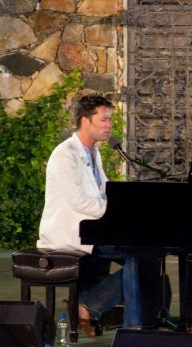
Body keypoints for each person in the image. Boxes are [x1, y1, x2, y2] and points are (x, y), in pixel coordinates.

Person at [37, 93, 164, 334]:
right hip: (70, 231)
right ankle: (132, 327)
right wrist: (113, 213)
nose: (109, 125)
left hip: (93, 228)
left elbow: (104, 193)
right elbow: (78, 202)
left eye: (109, 120)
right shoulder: (65, 155)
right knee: (135, 256)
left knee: (148, 252)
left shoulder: (94, 153)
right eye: (104, 120)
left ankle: (106, 307)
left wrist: (126, 209)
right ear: (86, 121)